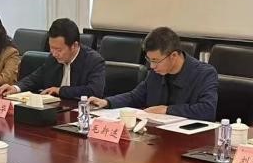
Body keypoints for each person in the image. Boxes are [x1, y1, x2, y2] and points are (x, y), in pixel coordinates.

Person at [88, 27, 217, 120]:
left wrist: (167, 110)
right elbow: (135, 96)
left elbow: (207, 110)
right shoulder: (157, 71)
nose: (152, 66)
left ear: (173, 56)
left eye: (156, 60)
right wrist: (106, 102)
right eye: (149, 60)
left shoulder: (204, 74)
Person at [0, 18, 105, 99]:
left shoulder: (93, 61)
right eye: (51, 48)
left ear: (74, 46)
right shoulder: (53, 57)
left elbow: (94, 91)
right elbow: (35, 78)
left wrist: (60, 91)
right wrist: (15, 88)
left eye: (58, 50)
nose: (54, 54)